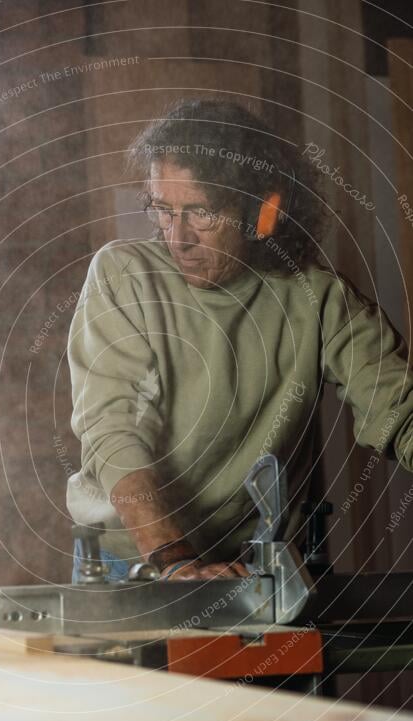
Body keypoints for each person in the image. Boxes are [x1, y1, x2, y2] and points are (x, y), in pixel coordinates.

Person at [67, 99, 413, 582]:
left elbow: (400, 412)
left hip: (260, 571)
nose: (177, 238)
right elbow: (111, 429)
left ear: (262, 211)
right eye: (164, 211)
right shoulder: (124, 276)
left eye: (201, 213)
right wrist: (174, 560)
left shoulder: (318, 300)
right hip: (134, 563)